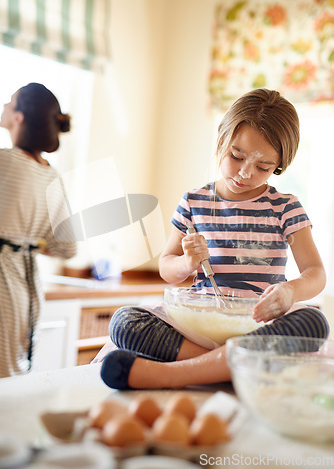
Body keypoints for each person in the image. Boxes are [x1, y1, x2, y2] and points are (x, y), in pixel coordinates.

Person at [100, 88, 329, 390]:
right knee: (125, 321)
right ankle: (231, 367)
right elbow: (167, 267)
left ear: (279, 166)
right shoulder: (194, 201)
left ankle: (175, 374)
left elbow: (316, 273)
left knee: (313, 323)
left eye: (263, 167)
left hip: (257, 326)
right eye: (237, 156)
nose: (245, 173)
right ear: (221, 138)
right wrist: (188, 262)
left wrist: (290, 291)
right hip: (199, 322)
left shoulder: (285, 207)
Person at [0, 82, 77, 377]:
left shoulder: (3, 162)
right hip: (27, 291)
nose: (4, 105)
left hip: (2, 283)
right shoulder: (52, 177)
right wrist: (27, 242)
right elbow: (67, 248)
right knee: (11, 377)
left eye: (10, 101)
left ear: (19, 117)